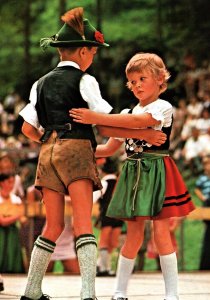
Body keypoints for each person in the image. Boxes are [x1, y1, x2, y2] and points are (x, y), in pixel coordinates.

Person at [19, 8, 166, 300]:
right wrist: (142, 134)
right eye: (94, 52)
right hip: (76, 154)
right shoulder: (85, 81)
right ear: (85, 51)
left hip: (48, 153)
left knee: (53, 224)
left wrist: (49, 141)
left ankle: (31, 290)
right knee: (84, 223)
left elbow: (26, 128)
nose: (94, 57)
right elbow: (107, 121)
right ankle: (88, 292)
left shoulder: (40, 83)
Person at [70, 52, 195, 300]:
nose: (137, 85)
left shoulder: (162, 107)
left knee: (161, 232)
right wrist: (77, 148)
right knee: (133, 235)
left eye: (142, 78)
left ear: (160, 79)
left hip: (157, 171)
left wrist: (97, 119)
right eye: (133, 81)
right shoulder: (127, 110)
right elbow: (108, 147)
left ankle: (172, 293)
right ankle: (119, 291)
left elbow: (140, 122)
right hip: (133, 173)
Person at [93, 157, 124, 276]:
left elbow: (93, 199)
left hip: (107, 215)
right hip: (119, 216)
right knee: (113, 242)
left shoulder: (104, 182)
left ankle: (103, 267)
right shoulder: (120, 183)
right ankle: (106, 266)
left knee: (104, 241)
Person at [0, 173, 25, 273]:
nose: (11, 185)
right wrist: (17, 216)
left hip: (13, 232)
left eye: (13, 182)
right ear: (1, 183)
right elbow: (2, 221)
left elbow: (23, 220)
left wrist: (20, 217)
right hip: (1, 233)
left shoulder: (16, 199)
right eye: (9, 182)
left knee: (12, 255)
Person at [194, 156, 210, 270]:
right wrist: (203, 198)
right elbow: (196, 189)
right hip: (207, 203)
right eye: (205, 164)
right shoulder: (202, 178)